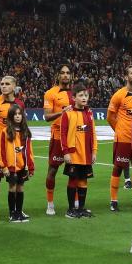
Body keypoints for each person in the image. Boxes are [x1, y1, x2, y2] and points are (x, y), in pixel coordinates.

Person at [57, 84, 97, 218]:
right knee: (73, 180)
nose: (84, 98)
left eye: (86, 95)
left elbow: (93, 133)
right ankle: (70, 209)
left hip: (86, 154)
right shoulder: (67, 114)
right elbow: (62, 134)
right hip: (73, 154)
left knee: (83, 180)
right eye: (81, 95)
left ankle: (81, 208)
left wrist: (94, 151)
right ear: (74, 98)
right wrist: (66, 152)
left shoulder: (89, 113)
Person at [106, 67, 132, 210]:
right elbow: (110, 117)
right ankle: (113, 200)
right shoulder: (119, 95)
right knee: (118, 168)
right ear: (126, 77)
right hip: (123, 139)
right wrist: (119, 130)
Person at [0, 75, 21, 222]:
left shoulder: (20, 104)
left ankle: (15, 210)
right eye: (2, 84)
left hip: (15, 151)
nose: (4, 86)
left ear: (14, 86)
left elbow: (21, 126)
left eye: (7, 84)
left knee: (16, 181)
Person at [0, 103, 35, 222]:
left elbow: (29, 151)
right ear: (11, 117)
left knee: (20, 188)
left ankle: (19, 212)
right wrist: (4, 167)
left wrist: (31, 166)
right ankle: (12, 214)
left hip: (23, 166)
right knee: (12, 187)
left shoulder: (25, 132)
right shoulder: (5, 131)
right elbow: (1, 151)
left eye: (19, 114)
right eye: (15, 114)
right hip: (11, 166)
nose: (17, 116)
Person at [42, 63, 74, 216]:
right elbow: (47, 116)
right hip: (57, 137)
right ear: (58, 75)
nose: (65, 75)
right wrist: (62, 112)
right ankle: (50, 204)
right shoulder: (50, 93)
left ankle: (75, 204)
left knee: (75, 171)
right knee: (53, 170)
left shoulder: (76, 92)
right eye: (62, 72)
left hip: (74, 137)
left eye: (68, 72)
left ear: (71, 75)